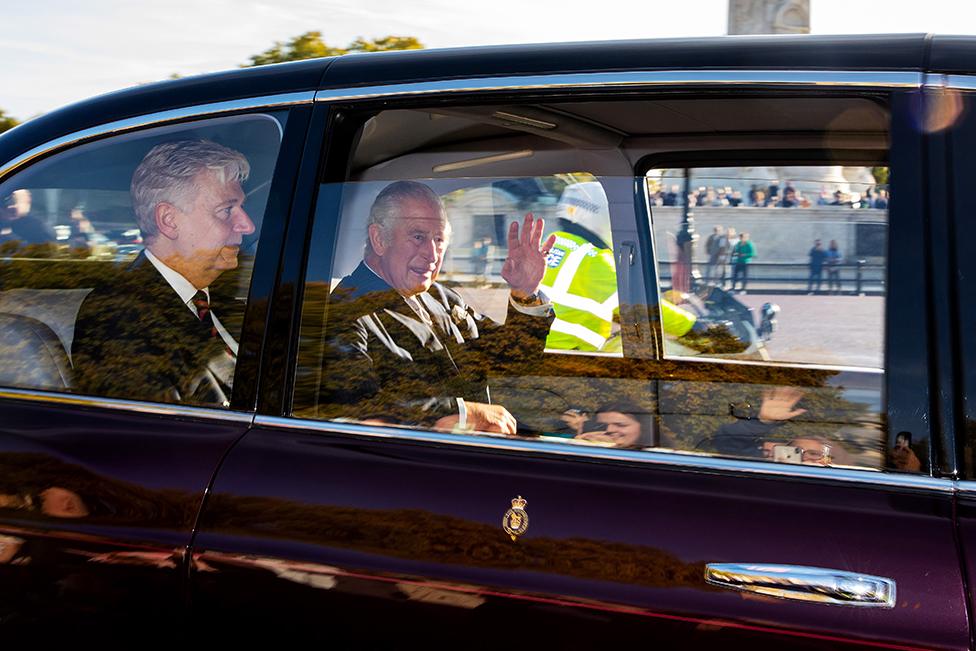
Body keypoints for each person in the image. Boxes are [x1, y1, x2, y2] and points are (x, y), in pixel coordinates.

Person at [321, 180, 555, 435]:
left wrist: (525, 293)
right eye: (418, 237)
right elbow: (359, 411)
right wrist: (466, 414)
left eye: (439, 239)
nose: (432, 255)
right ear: (379, 239)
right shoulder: (345, 315)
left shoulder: (442, 298)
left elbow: (507, 362)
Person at [72, 140, 255, 406]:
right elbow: (156, 435)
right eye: (227, 210)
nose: (247, 225)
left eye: (241, 208)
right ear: (169, 221)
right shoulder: (118, 317)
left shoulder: (221, 299)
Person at [575, 401, 654, 449]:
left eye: (621, 425)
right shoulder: (589, 445)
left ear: (643, 428)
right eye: (602, 426)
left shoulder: (659, 455)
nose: (609, 430)